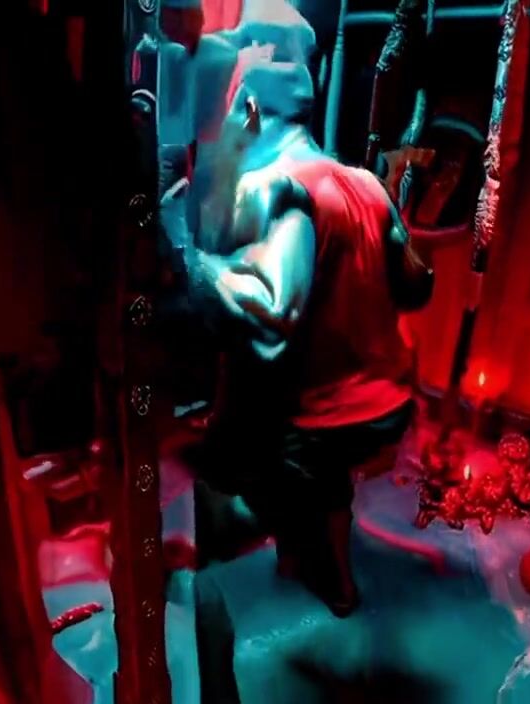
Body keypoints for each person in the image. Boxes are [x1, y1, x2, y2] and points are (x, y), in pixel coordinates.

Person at [159, 56, 431, 617]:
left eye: (230, 111)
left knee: (209, 457)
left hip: (324, 424)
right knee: (303, 449)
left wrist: (190, 259)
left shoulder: (276, 186)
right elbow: (415, 285)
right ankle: (319, 555)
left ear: (250, 110)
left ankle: (255, 569)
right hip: (391, 404)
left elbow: (273, 309)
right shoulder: (365, 183)